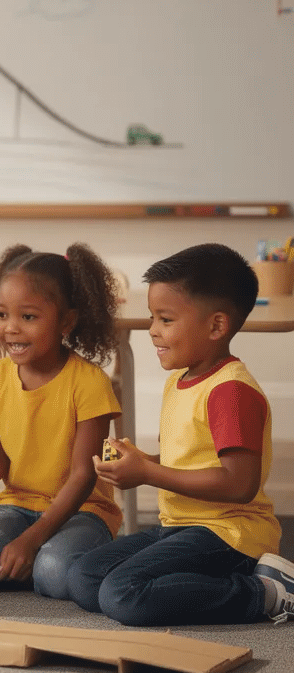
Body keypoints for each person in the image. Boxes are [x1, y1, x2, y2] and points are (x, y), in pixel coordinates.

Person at [67, 244, 291, 625]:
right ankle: (202, 581)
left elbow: (239, 484)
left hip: (229, 533)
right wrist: (140, 462)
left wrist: (147, 474)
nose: (152, 330)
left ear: (216, 326)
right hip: (179, 525)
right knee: (84, 579)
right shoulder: (181, 380)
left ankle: (265, 593)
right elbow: (190, 463)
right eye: (152, 317)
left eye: (165, 319)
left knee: (121, 593)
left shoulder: (231, 392)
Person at [0, 243, 122, 599]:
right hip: (17, 503)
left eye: (28, 317)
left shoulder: (89, 382)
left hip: (83, 510)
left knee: (54, 573)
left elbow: (84, 477)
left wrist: (31, 539)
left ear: (66, 322)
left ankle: (46, 559)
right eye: (1, 314)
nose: (10, 329)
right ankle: (38, 562)